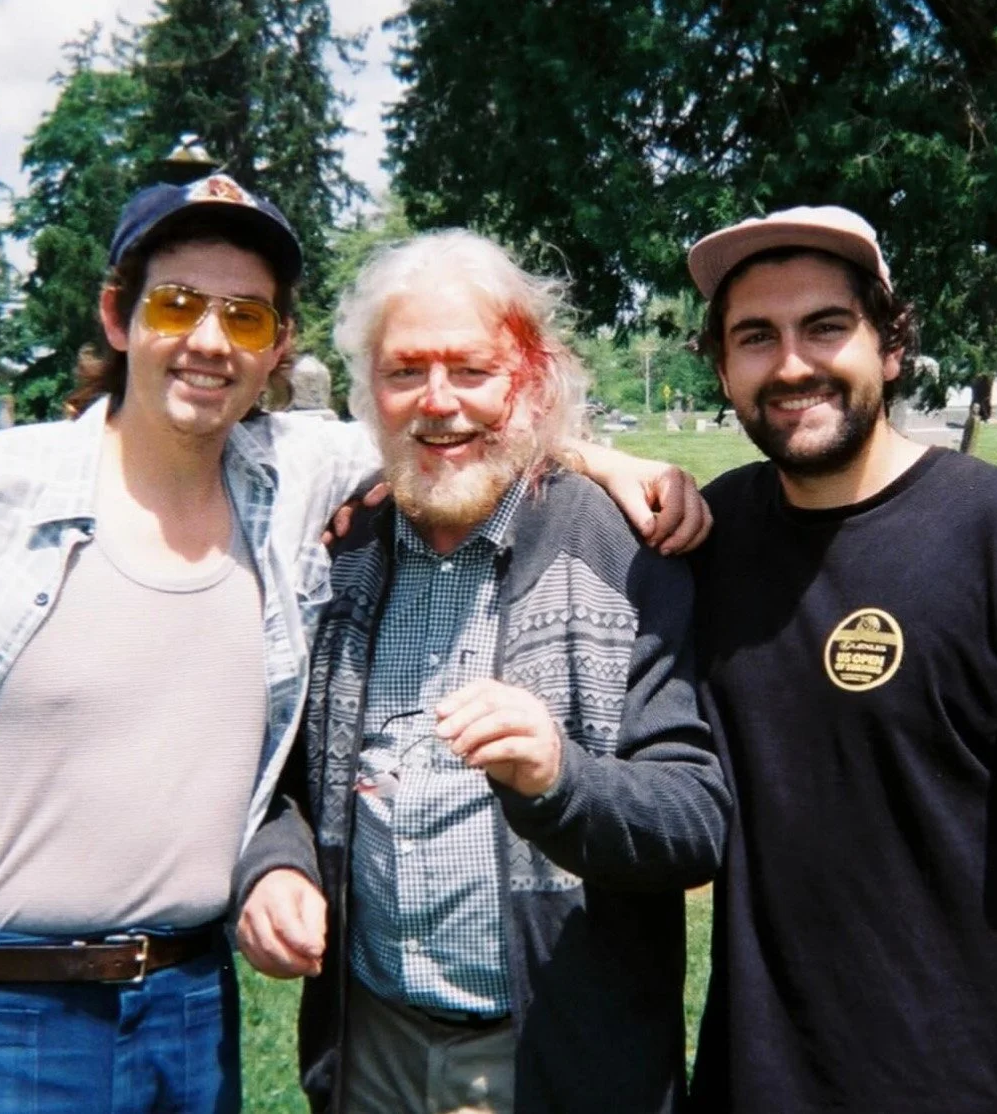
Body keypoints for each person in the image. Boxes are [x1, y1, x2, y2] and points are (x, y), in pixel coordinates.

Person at [0, 175, 709, 1113]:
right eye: (177, 303)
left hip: (185, 1003)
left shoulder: (290, 482)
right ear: (116, 314)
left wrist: (598, 456)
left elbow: (451, 426)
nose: (209, 340)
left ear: (277, 348)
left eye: (246, 315)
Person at [234, 230, 731, 1114]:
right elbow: (281, 773)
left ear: (530, 383)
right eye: (404, 372)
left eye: (472, 371)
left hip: (556, 1053)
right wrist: (274, 863)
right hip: (370, 1048)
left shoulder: (625, 551)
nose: (437, 403)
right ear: (368, 395)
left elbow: (695, 820)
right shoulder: (339, 556)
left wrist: (559, 778)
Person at [683, 205, 997, 1114]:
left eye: (827, 326)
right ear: (724, 368)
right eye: (756, 336)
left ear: (889, 346)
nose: (794, 363)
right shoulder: (710, 538)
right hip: (751, 1084)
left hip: (970, 1083)